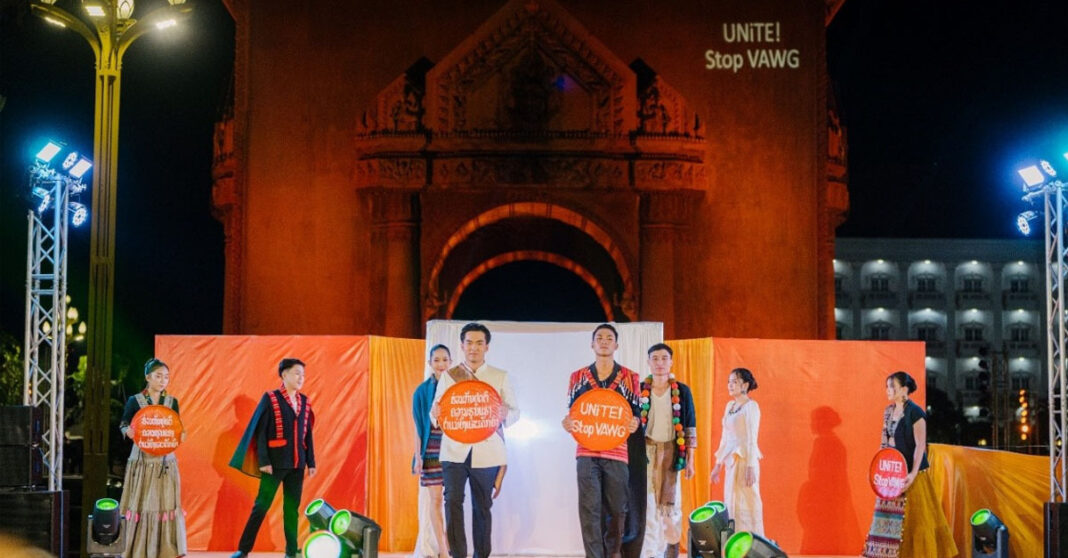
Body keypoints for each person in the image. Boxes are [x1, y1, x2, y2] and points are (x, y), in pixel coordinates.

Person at [430, 323, 519, 558]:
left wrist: (505, 412)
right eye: (469, 343)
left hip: (487, 451)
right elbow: (436, 410)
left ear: (487, 347)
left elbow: (515, 411)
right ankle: (457, 554)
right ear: (462, 346)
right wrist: (436, 414)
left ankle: (482, 554)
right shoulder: (450, 376)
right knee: (453, 504)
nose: (474, 348)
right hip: (453, 450)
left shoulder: (499, 376)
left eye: (479, 343)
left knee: (482, 508)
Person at [562, 324, 642, 558]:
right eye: (599, 338)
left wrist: (635, 422)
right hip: (586, 452)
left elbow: (636, 412)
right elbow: (573, 413)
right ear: (592, 344)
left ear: (616, 345)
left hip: (617, 452)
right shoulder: (577, 377)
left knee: (617, 510)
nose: (604, 341)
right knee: (589, 510)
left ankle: (613, 552)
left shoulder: (630, 377)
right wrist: (567, 423)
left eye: (609, 338)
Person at [862, 371, 957, 558]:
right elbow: (884, 443)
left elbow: (920, 445)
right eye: (887, 386)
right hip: (891, 475)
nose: (888, 390)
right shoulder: (888, 412)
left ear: (904, 389)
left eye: (892, 386)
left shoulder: (916, 413)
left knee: (917, 519)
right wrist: (877, 470)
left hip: (912, 476)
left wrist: (912, 474)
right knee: (888, 520)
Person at [229, 358, 317, 558]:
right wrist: (264, 461)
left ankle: (291, 552)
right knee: (261, 506)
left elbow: (307, 434)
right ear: (284, 375)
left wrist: (311, 462)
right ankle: (243, 549)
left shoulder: (305, 401)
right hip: (274, 464)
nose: (301, 378)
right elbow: (260, 432)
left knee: (291, 509)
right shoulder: (270, 398)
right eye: (296, 373)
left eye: (303, 374)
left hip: (297, 465)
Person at [118, 358, 188, 558]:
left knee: (164, 501)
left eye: (166, 377)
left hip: (165, 460)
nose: (163, 381)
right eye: (158, 376)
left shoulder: (171, 402)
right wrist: (127, 431)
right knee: (143, 502)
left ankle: (166, 548)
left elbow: (177, 426)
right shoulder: (135, 401)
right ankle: (137, 548)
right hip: (143, 460)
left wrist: (181, 434)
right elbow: (123, 423)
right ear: (147, 378)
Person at [638, 344, 696, 558]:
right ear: (648, 362)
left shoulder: (682, 390)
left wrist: (690, 460)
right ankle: (649, 552)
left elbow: (690, 426)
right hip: (646, 452)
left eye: (664, 358)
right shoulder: (640, 389)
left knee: (672, 506)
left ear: (671, 362)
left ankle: (671, 547)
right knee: (648, 505)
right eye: (655, 358)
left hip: (672, 452)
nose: (660, 363)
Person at [710, 367, 764, 535]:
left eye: (735, 382)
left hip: (745, 460)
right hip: (731, 462)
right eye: (729, 382)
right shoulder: (730, 406)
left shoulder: (751, 406)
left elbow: (751, 438)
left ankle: (752, 542)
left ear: (745, 385)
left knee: (746, 501)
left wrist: (750, 467)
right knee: (732, 501)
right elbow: (725, 437)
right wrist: (718, 465)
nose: (730, 385)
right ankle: (735, 542)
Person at [412, 344, 452, 558]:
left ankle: (453, 545)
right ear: (430, 363)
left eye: (445, 360)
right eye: (436, 360)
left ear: (451, 362)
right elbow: (418, 428)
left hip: (454, 451)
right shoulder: (421, 391)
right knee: (435, 501)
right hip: (431, 453)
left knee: (453, 501)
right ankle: (443, 551)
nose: (441, 364)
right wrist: (418, 458)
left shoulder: (459, 388)